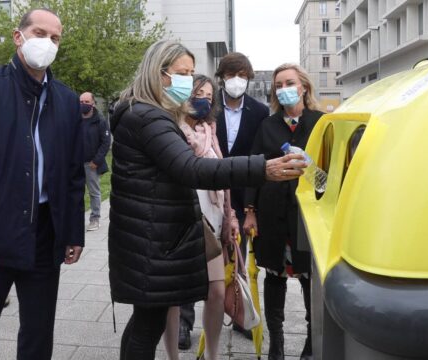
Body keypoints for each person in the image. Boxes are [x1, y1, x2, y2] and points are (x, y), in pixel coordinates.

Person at [109, 39, 306, 360]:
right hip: (150, 237)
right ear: (159, 74)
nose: (189, 80)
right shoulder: (150, 118)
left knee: (144, 321)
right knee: (147, 327)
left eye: (191, 72)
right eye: (182, 73)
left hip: (149, 234)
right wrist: (262, 167)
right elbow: (192, 168)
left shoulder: (144, 113)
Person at [0, 8, 85, 359]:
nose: (47, 43)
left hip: (44, 237)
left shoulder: (67, 101)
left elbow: (72, 174)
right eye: (40, 33)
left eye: (55, 38)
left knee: (39, 341)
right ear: (18, 36)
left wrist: (73, 232)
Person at [244, 63, 324, 360]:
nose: (283, 88)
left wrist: (311, 164)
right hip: (272, 212)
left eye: (289, 82)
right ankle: (275, 342)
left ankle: (311, 341)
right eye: (278, 84)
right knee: (275, 274)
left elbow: (331, 173)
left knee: (308, 277)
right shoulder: (268, 125)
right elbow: (254, 167)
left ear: (303, 86)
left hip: (307, 214)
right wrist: (249, 211)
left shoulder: (321, 122)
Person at [162, 74, 239, 360]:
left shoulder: (211, 131)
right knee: (173, 298)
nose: (204, 99)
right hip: (180, 223)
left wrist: (230, 216)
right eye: (198, 93)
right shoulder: (170, 129)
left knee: (217, 292)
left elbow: (222, 177)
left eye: (209, 95)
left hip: (212, 222)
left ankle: (213, 354)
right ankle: (172, 355)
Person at [214, 52, 270, 339]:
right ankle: (186, 321)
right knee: (199, 256)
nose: (237, 81)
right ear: (222, 77)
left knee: (237, 256)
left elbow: (257, 159)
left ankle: (238, 314)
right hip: (209, 191)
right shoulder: (208, 106)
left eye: (243, 76)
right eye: (232, 74)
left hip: (242, 193)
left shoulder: (259, 112)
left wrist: (250, 207)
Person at [80, 92, 111, 231]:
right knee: (76, 193)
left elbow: (106, 143)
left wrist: (96, 161)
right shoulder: (74, 119)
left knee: (94, 193)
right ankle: (76, 219)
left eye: (87, 102)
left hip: (91, 164)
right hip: (75, 163)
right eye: (81, 101)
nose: (84, 104)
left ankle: (95, 218)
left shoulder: (100, 121)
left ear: (93, 103)